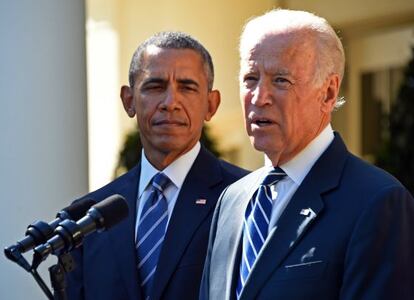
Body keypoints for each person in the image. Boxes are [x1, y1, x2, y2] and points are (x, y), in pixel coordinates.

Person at [200, 9, 414, 300]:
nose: (259, 97)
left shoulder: (377, 201)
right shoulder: (231, 200)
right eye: (250, 78)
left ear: (327, 93)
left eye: (280, 81)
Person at [65, 31, 248, 300]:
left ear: (211, 104)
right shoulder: (89, 217)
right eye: (154, 86)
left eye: (187, 87)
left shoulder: (246, 199)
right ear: (129, 100)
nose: (170, 103)